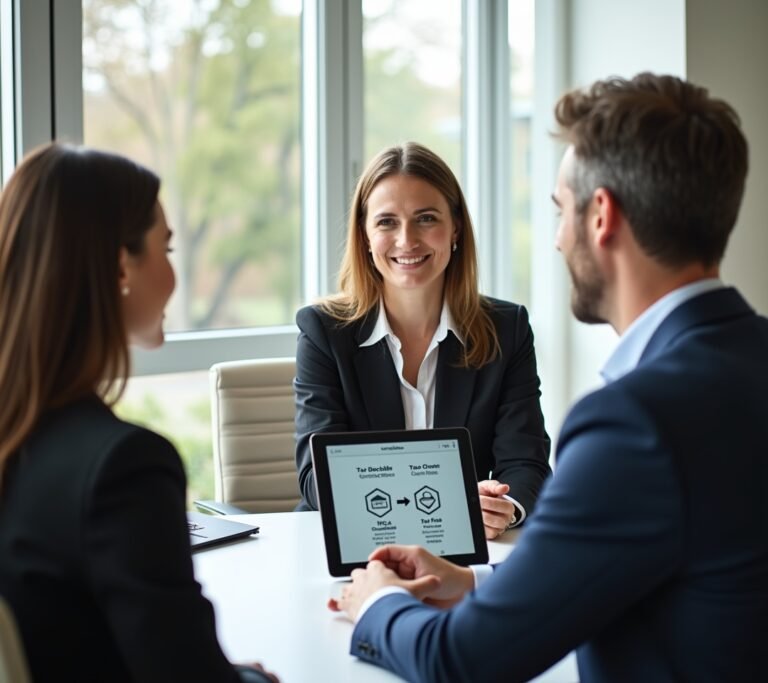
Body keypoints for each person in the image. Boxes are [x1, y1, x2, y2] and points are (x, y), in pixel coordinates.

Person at [328, 73, 768, 681]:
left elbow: (460, 660)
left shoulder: (634, 423)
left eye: (561, 210)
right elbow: (664, 560)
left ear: (601, 216)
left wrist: (378, 602)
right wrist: (479, 579)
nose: (558, 239)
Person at [0, 143, 278, 683]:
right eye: (166, 249)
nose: (174, 275)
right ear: (121, 267)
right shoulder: (123, 468)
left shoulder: (19, 438)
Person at [294, 142, 551, 538]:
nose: (407, 240)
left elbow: (525, 462)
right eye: (386, 222)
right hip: (355, 545)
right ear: (364, 236)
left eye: (426, 218)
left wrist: (503, 508)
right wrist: (448, 503)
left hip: (467, 546)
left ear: (456, 228)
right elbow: (318, 477)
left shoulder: (506, 328)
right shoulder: (323, 331)